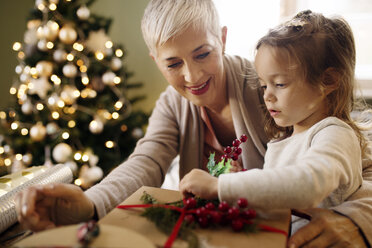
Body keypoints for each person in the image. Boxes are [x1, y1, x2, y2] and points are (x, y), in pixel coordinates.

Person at [15, 1, 372, 247]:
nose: (193, 75)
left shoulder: (271, 88)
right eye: (173, 64)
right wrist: (89, 205)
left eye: (203, 53)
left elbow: (352, 152)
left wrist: (357, 220)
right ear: (156, 61)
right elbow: (146, 163)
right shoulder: (173, 105)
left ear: (223, 38)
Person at [180, 8, 370, 237]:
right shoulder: (287, 140)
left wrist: (219, 187)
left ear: (327, 81)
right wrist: (239, 179)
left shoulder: (334, 134)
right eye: (263, 85)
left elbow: (308, 184)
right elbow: (280, 196)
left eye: (279, 84)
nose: (267, 96)